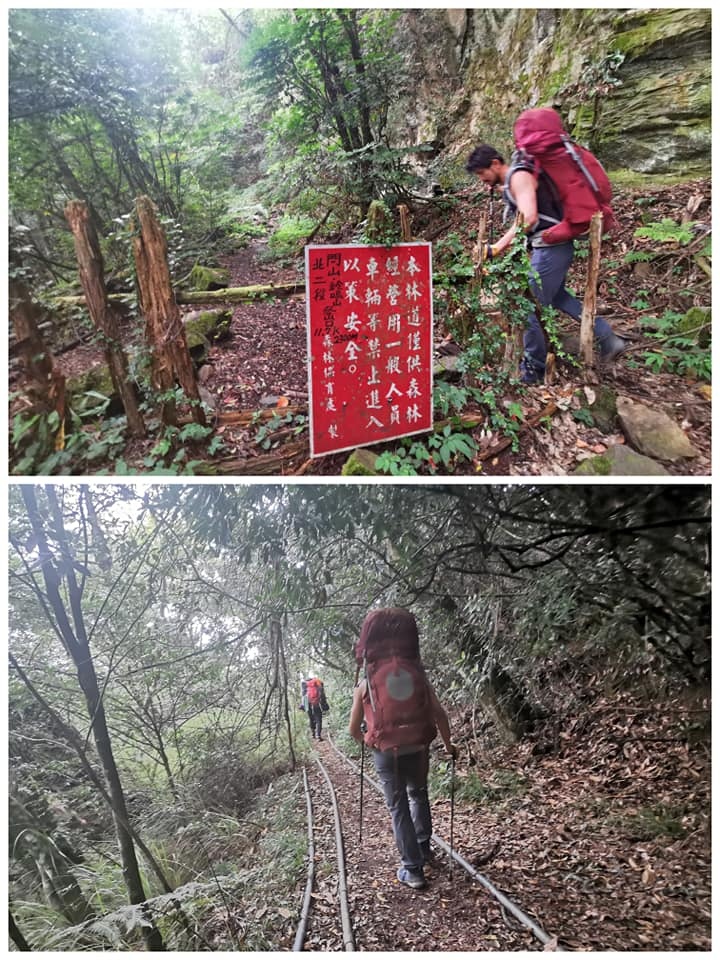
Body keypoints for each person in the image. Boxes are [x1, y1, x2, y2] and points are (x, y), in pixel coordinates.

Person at [465, 143, 627, 384]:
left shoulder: (519, 176)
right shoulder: (515, 180)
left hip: (551, 249)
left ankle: (534, 368)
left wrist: (497, 247)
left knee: (528, 305)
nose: (482, 180)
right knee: (558, 297)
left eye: (482, 173)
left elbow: (529, 219)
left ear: (495, 164)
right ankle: (608, 339)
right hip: (550, 247)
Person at [349, 658, 458, 892]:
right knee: (419, 795)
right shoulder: (418, 678)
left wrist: (371, 744)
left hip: (387, 753)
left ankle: (413, 870)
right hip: (419, 748)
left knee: (399, 807)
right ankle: (423, 848)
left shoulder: (366, 684)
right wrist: (449, 747)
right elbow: (440, 715)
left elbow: (353, 729)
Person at [302, 676, 326, 740]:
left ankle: (313, 734)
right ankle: (318, 735)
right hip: (316, 704)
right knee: (319, 720)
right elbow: (322, 695)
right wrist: (324, 705)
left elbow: (303, 696)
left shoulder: (305, 684)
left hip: (308, 704)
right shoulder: (318, 683)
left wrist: (303, 706)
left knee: (311, 718)